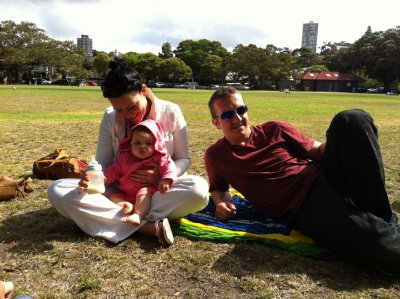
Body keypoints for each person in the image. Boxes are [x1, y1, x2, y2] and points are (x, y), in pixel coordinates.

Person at [205, 86, 400, 273]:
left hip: (326, 175)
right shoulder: (216, 155)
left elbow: (316, 151)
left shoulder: (275, 129)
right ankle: (384, 228)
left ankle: (382, 216)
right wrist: (221, 203)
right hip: (303, 205)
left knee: (352, 119)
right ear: (215, 122)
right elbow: (219, 190)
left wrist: (344, 139)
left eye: (241, 109)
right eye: (228, 115)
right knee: (373, 241)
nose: (238, 118)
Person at [48, 58, 209, 245]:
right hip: (120, 191)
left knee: (198, 190)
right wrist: (94, 178)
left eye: (132, 106)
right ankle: (146, 227)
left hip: (159, 191)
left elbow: (184, 158)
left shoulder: (170, 111)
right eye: (119, 109)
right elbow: (104, 163)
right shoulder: (110, 117)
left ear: (143, 90)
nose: (127, 114)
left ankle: (115, 217)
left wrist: (163, 177)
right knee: (57, 190)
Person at [103, 119, 176, 231]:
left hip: (147, 193)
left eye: (148, 143)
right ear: (130, 143)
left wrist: (166, 180)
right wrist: (105, 177)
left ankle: (137, 215)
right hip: (126, 193)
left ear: (156, 144)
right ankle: (126, 205)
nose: (142, 146)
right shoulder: (125, 157)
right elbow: (115, 169)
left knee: (144, 192)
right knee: (112, 196)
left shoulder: (159, 158)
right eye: (137, 143)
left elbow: (170, 167)